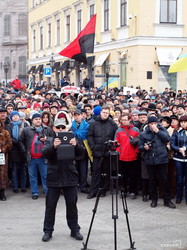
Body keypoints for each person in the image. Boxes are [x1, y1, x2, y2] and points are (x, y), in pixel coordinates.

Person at [41, 111, 84, 242]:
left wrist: (75, 145)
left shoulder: (73, 139)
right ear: (54, 128)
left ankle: (74, 230)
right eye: (58, 127)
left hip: (70, 175)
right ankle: (48, 231)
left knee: (72, 205)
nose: (60, 129)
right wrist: (53, 147)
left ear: (67, 127)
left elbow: (82, 153)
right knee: (50, 206)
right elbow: (45, 154)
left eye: (63, 127)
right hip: (54, 176)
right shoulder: (50, 140)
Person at [138, 116, 176, 209]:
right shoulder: (144, 133)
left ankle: (167, 200)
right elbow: (140, 147)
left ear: (157, 123)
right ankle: (154, 200)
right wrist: (144, 147)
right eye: (151, 124)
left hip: (162, 159)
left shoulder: (162, 129)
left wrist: (157, 131)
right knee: (152, 180)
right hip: (150, 159)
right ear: (148, 124)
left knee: (164, 179)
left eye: (155, 123)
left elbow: (167, 139)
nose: (153, 125)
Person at [19, 113, 53, 199]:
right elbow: (20, 140)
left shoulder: (47, 129)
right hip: (31, 158)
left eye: (39, 119)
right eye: (36, 119)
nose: (38, 120)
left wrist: (46, 139)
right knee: (32, 176)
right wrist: (24, 150)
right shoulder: (26, 130)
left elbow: (53, 139)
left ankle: (47, 192)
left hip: (43, 157)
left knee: (45, 176)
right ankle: (35, 193)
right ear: (32, 121)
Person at [87, 105, 118, 199]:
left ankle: (104, 190)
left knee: (106, 172)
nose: (105, 114)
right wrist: (93, 147)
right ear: (100, 112)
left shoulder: (112, 124)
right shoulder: (93, 123)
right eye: (104, 112)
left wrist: (111, 148)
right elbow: (90, 136)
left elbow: (115, 137)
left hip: (108, 152)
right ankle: (94, 191)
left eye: (107, 113)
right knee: (96, 172)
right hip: (97, 152)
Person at [115, 114, 140, 199]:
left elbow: (139, 143)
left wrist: (136, 152)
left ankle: (132, 191)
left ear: (130, 120)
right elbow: (116, 143)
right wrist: (119, 151)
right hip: (122, 157)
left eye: (126, 120)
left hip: (133, 157)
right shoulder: (118, 130)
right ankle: (123, 191)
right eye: (123, 120)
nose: (124, 121)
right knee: (123, 176)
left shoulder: (136, 130)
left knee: (133, 175)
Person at [9, 111, 29, 193]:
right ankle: (15, 187)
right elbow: (9, 136)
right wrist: (16, 142)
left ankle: (23, 186)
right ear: (11, 118)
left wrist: (21, 142)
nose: (16, 117)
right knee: (14, 170)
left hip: (23, 149)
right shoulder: (9, 125)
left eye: (17, 115)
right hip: (13, 150)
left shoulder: (24, 124)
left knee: (23, 170)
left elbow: (27, 136)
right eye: (13, 116)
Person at [170, 115, 187, 204]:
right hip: (178, 158)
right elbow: (172, 144)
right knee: (179, 178)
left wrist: (185, 148)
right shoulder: (176, 131)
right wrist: (179, 149)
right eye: (182, 122)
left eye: (185, 122)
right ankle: (179, 197)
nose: (183, 124)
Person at [0, 119, 12, 200]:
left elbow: (10, 143)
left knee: (2, 175)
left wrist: (3, 149)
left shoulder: (5, 133)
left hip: (2, 157)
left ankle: (2, 193)